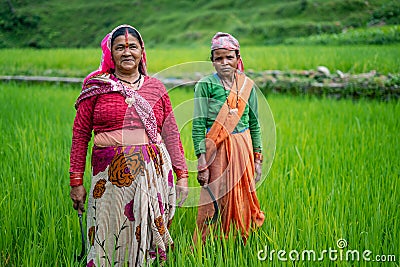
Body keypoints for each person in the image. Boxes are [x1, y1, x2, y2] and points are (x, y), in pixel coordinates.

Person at [69, 24, 189, 266]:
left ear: (141, 51)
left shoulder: (156, 88)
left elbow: (171, 133)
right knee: (109, 229)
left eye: (132, 46)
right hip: (108, 179)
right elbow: (80, 134)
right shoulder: (96, 88)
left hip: (151, 174)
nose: (127, 52)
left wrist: (182, 175)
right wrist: (76, 182)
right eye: (120, 47)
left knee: (144, 231)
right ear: (110, 53)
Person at [192, 32, 265, 244]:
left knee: (241, 195)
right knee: (214, 196)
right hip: (216, 150)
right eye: (218, 58)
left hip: (243, 147)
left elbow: (254, 124)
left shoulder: (246, 86)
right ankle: (206, 244)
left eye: (229, 57)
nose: (224, 63)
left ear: (238, 57)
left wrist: (258, 160)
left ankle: (236, 241)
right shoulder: (204, 85)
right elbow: (198, 124)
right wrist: (201, 161)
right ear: (212, 61)